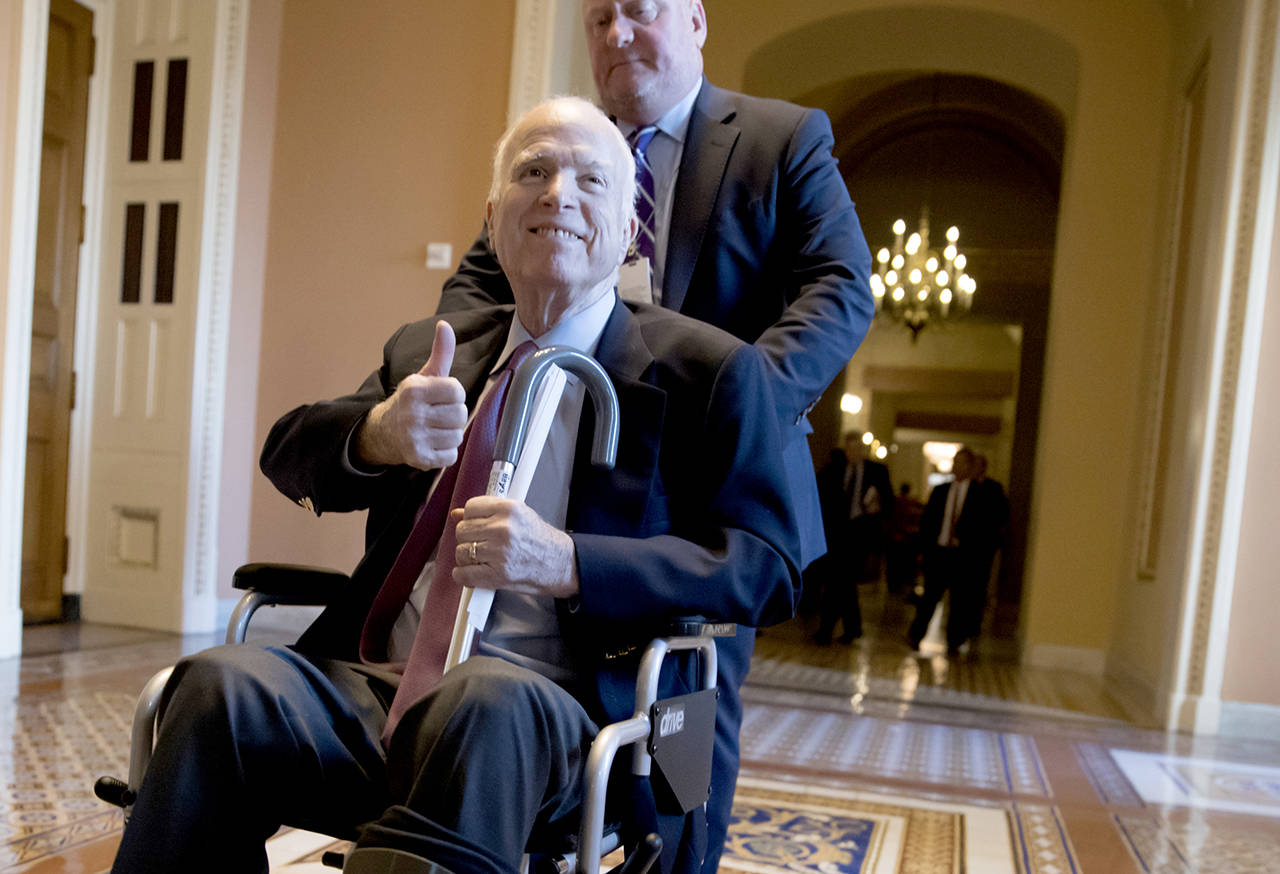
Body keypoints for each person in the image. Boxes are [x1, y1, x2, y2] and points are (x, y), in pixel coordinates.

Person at [107, 97, 801, 874]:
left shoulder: (711, 372)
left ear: (632, 223)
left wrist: (570, 561)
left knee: (482, 701)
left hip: (564, 710)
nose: (556, 194)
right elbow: (286, 455)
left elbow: (769, 566)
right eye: (532, 171)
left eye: (589, 179)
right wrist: (377, 435)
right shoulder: (434, 352)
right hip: (378, 686)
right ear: (493, 215)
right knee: (216, 684)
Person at [436, 3, 873, 862]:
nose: (616, 34)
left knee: (680, 737)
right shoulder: (563, 163)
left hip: (705, 497)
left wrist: (732, 406)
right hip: (571, 475)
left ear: (698, 21)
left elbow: (839, 287)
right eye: (599, 18)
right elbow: (471, 291)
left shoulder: (780, 139)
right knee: (530, 708)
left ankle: (677, 854)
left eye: (641, 11)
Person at [905, 447, 1000, 655]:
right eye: (955, 461)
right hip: (939, 553)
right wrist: (923, 550)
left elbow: (987, 528)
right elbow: (928, 523)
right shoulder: (941, 491)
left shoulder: (981, 493)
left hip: (963, 556)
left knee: (960, 601)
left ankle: (954, 641)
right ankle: (916, 634)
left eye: (961, 462)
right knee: (930, 596)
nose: (956, 466)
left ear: (970, 466)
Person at [812, 432, 893, 644]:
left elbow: (888, 503)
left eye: (857, 448)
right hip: (836, 535)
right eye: (850, 448)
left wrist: (877, 509)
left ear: (863, 450)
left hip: (860, 536)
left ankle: (831, 629)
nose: (853, 453)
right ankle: (848, 628)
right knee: (840, 582)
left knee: (841, 581)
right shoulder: (834, 470)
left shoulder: (877, 471)